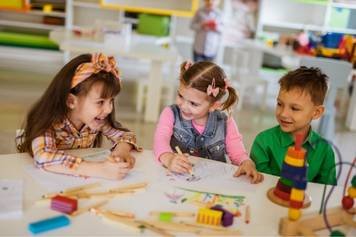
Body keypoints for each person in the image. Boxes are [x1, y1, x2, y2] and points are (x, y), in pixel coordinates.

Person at [17, 53, 141, 180]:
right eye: (100, 102)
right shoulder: (48, 121)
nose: (109, 109)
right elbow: (44, 157)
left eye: (111, 101)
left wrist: (121, 151)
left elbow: (126, 135)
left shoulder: (97, 121)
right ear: (71, 101)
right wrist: (100, 169)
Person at [153, 60, 263, 184]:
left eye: (193, 103)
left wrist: (246, 163)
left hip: (212, 185)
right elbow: (160, 140)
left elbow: (237, 152)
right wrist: (168, 158)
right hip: (176, 180)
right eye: (180, 96)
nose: (183, 106)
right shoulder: (170, 113)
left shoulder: (225, 123)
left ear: (214, 105)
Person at [250, 66, 337, 185]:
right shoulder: (263, 142)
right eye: (280, 104)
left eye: (294, 108)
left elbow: (325, 191)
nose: (283, 114)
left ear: (316, 112)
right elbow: (258, 184)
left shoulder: (325, 151)